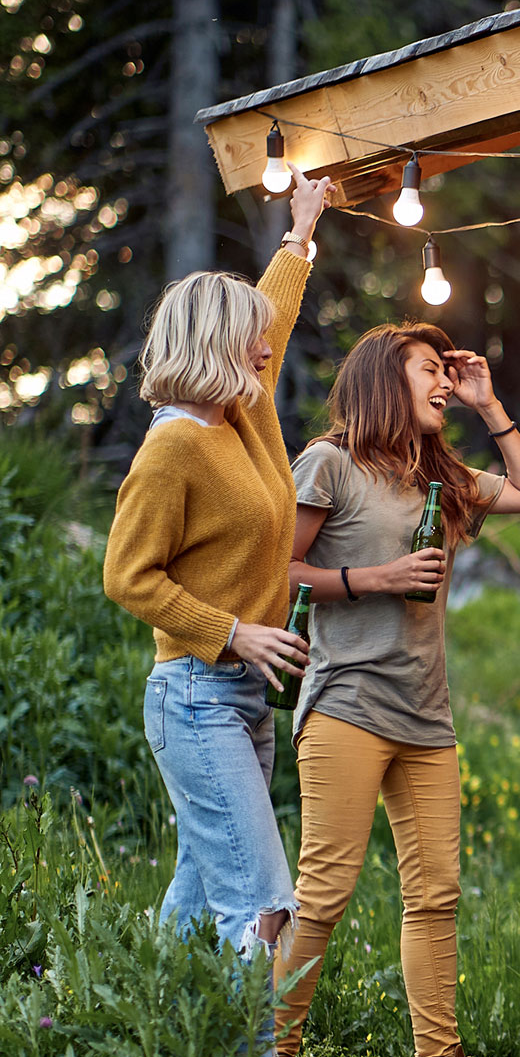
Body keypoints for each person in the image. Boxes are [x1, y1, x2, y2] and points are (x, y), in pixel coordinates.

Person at [272, 322, 520, 1057]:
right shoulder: (329, 464)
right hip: (346, 706)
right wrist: (376, 576)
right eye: (428, 369)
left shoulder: (444, 480)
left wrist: (489, 405)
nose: (442, 382)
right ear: (380, 381)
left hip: (427, 719)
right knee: (325, 890)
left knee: (435, 895)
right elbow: (282, 571)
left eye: (445, 371)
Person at [103, 166, 330, 983]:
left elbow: (279, 306)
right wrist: (231, 631)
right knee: (264, 905)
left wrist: (302, 230)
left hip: (239, 701)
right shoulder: (172, 448)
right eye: (250, 338)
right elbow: (128, 577)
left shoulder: (242, 414)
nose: (267, 347)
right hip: (194, 694)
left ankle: (142, 1047)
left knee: (200, 902)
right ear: (212, 346)